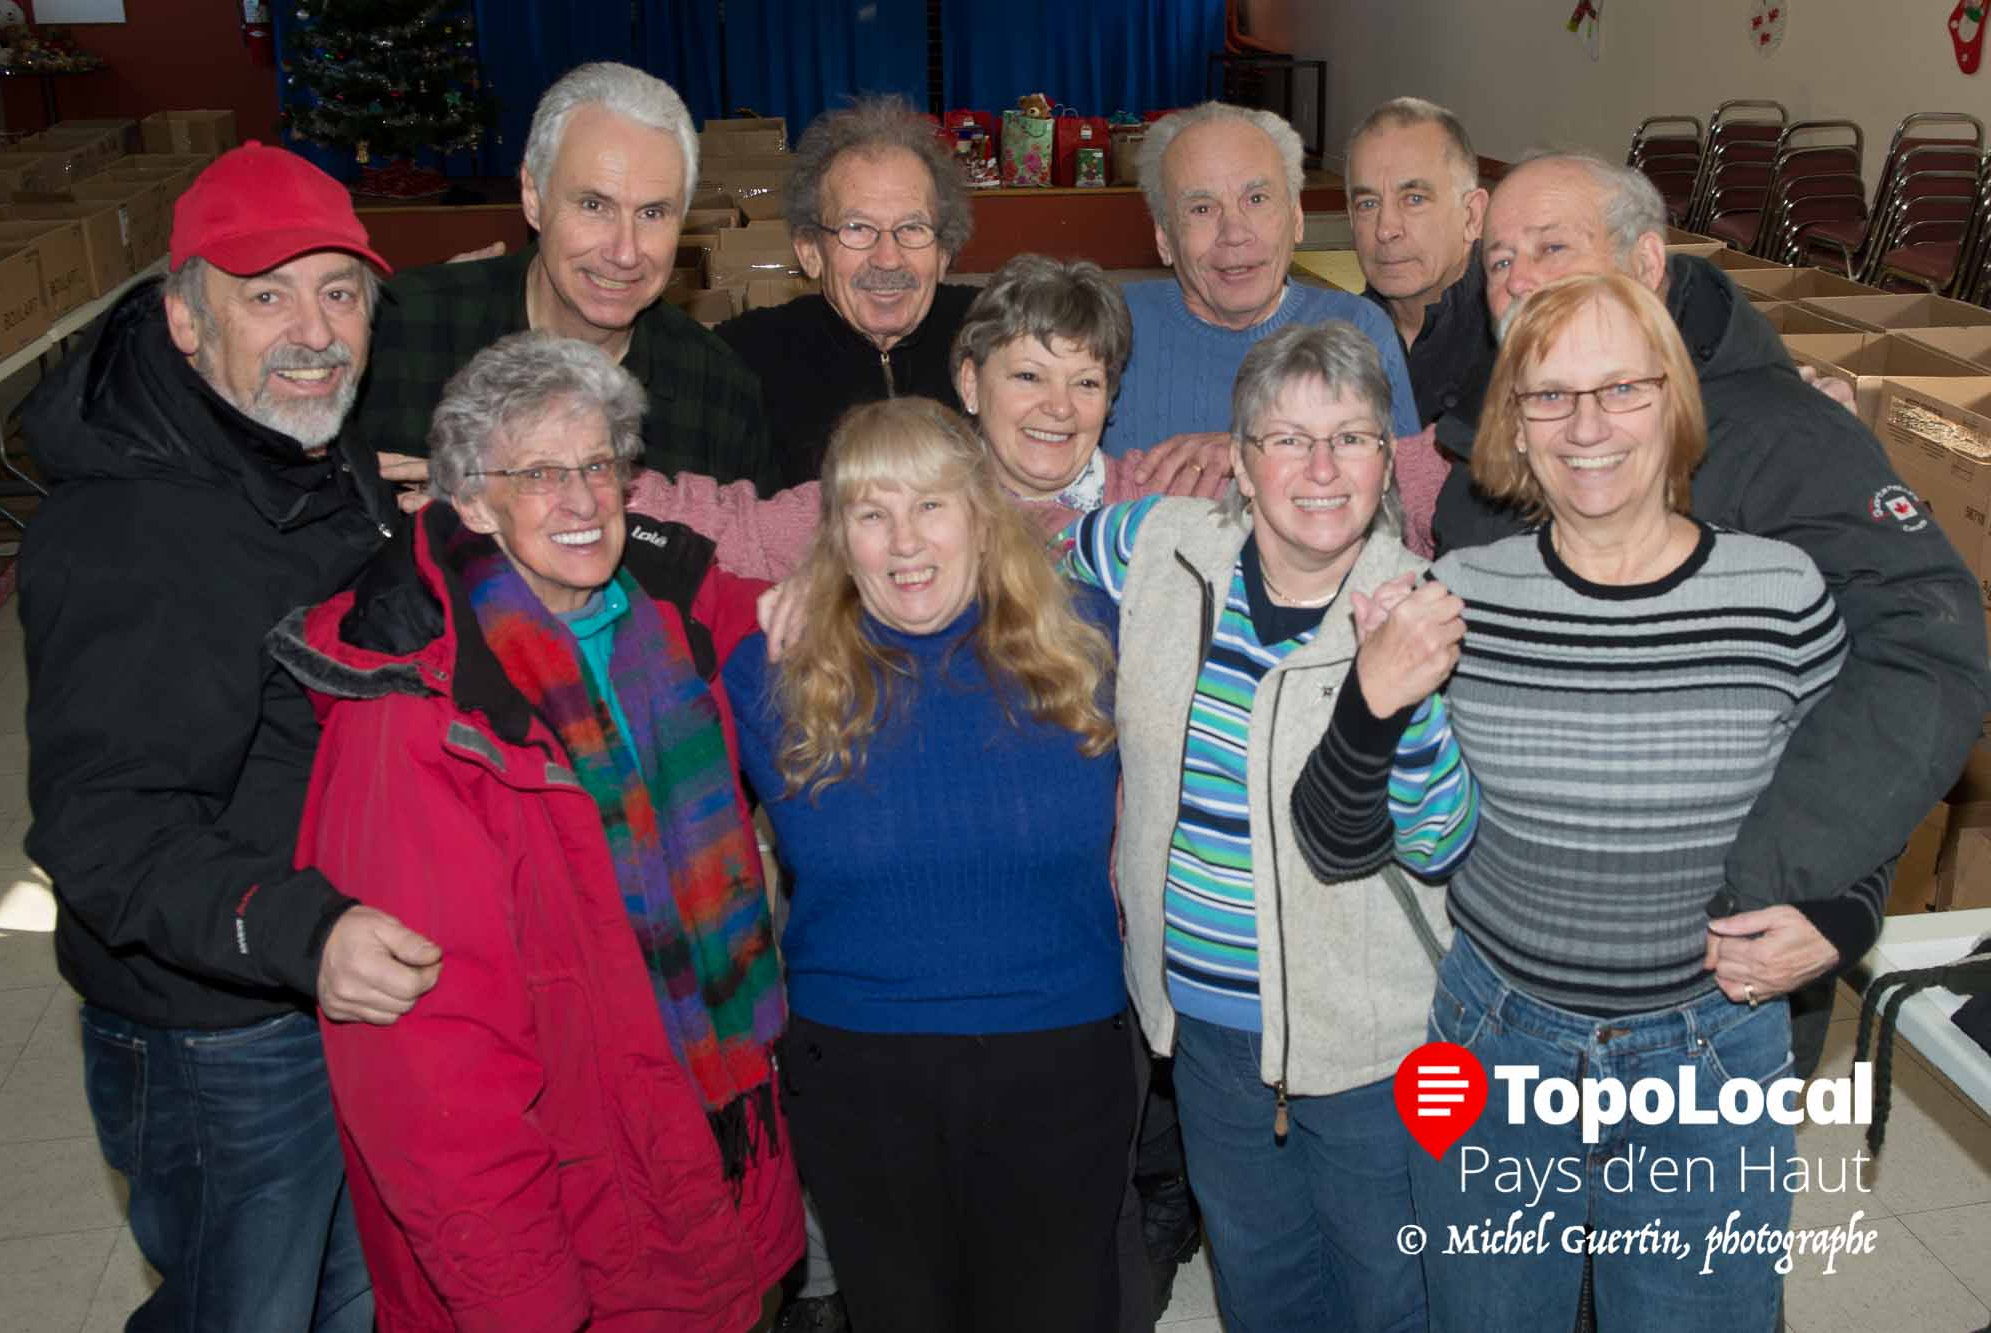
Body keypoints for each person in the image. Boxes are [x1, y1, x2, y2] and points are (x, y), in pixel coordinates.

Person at [1296, 272, 1856, 1331]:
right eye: (1547, 396)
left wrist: (1839, 916)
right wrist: (1368, 700)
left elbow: (1851, 791)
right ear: (1514, 424)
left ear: (1673, 403)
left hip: (1708, 1048)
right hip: (1492, 1043)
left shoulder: (1779, 592)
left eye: (1621, 389)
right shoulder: (1461, 591)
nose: (1586, 425)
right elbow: (1331, 839)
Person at [273, 332, 802, 1330]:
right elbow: (432, 1078)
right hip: (566, 1239)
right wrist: (520, 1300)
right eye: (540, 473)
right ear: (469, 501)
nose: (582, 499)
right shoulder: (421, 719)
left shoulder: (662, 634)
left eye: (598, 464)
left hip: (693, 1188)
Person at [1445, 150, 1990, 1075]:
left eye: (1551, 248)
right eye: (1499, 260)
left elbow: (1924, 651)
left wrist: (1800, 888)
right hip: (1514, 988)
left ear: (1648, 265)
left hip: (1718, 988)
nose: (1519, 280)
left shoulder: (1785, 437)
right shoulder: (1493, 432)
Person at [20, 142, 441, 1330]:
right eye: (266, 295)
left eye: (340, 292)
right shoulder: (127, 530)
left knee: (353, 1298)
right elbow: (102, 829)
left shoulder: (309, 455)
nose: (314, 330)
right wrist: (303, 927)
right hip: (220, 1036)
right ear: (185, 322)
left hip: (322, 986)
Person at [1060, 322, 1479, 1332]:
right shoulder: (1161, 547)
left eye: (1351, 437)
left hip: (1376, 1046)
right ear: (1239, 463)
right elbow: (1031, 549)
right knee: (1258, 1287)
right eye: (1286, 438)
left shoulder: (1418, 606)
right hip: (1206, 1034)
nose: (1321, 467)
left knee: (1389, 1297)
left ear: (1387, 462)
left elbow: (1439, 842)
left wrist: (1394, 700)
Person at [720, 397, 1136, 1333]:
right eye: (871, 513)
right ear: (838, 538)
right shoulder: (772, 675)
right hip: (859, 1075)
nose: (904, 540)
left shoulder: (1089, 643)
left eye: (931, 506)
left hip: (1061, 1059)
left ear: (982, 516)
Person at [348, 62, 777, 492]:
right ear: (533, 199)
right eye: (594, 206)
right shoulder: (399, 335)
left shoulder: (720, 394)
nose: (625, 252)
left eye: (652, 213)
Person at [631, 254, 1198, 579]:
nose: (1060, 407)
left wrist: (1247, 443)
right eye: (1028, 376)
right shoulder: (906, 494)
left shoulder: (1159, 502)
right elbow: (741, 528)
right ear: (971, 383)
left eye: (1087, 383)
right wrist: (597, 481)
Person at [1103, 103, 1420, 470]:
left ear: (1297, 218)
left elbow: (1408, 496)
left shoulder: (1360, 331)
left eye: (1256, 199)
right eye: (1201, 209)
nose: (1234, 234)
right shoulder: (1109, 327)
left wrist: (1255, 452)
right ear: (1164, 238)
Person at [714, 95, 978, 488]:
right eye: (857, 228)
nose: (888, 259)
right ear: (810, 252)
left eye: (912, 228)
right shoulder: (743, 361)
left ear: (943, 253)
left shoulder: (995, 339)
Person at [1344, 95, 1495, 534]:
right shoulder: (1335, 343)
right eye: (1367, 203)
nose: (1386, 228)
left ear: (1472, 215)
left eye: (1414, 198)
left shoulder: (1527, 341)